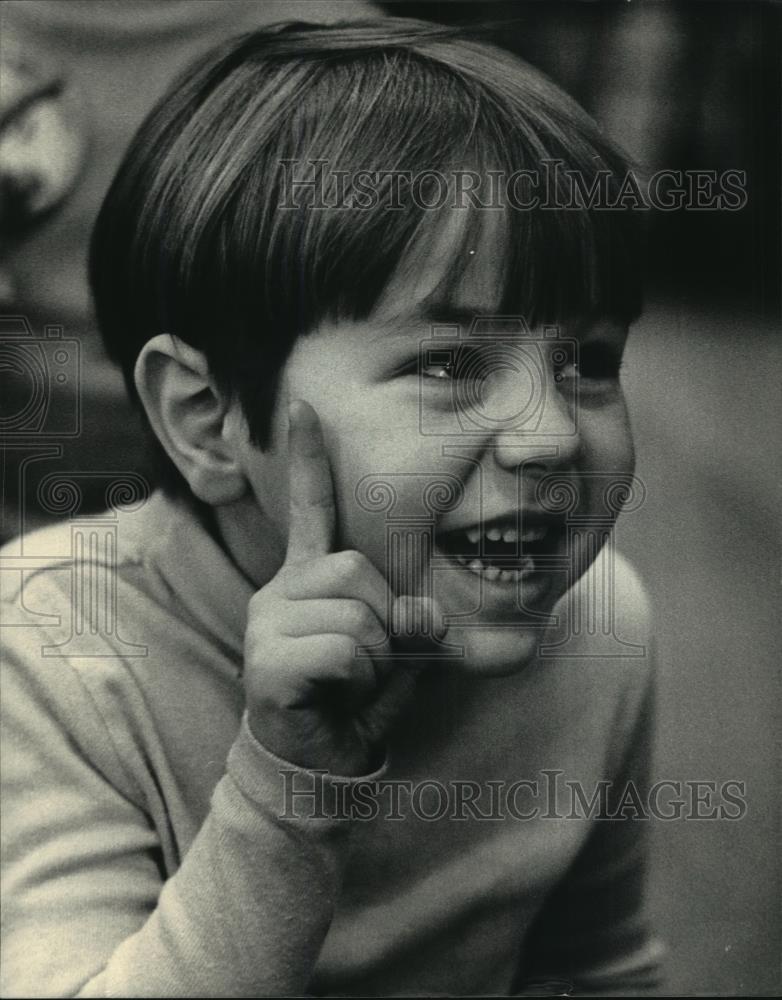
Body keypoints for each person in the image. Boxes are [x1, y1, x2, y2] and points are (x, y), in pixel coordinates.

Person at [1, 18, 664, 997]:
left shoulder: (599, 625)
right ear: (206, 417)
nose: (549, 436)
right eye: (447, 363)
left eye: (589, 360)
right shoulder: (51, 647)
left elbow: (596, 968)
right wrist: (287, 778)